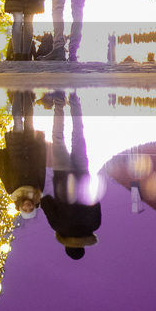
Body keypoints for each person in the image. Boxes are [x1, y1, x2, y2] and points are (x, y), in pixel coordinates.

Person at [42, 90, 101, 259]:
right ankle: (59, 102)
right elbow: (46, 201)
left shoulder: (94, 224)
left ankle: (75, 99)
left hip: (82, 174)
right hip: (61, 175)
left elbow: (94, 199)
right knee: (57, 137)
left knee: (78, 135)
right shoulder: (58, 225)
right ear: (67, 245)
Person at [0, 90, 46, 217]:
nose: (27, 206)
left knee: (17, 119)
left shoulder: (12, 190)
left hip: (16, 149)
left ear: (20, 207)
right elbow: (41, 167)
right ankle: (26, 91)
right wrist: (42, 146)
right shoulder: (38, 189)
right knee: (29, 118)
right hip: (32, 148)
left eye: (24, 209)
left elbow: (3, 170)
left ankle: (17, 93)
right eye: (30, 209)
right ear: (33, 206)